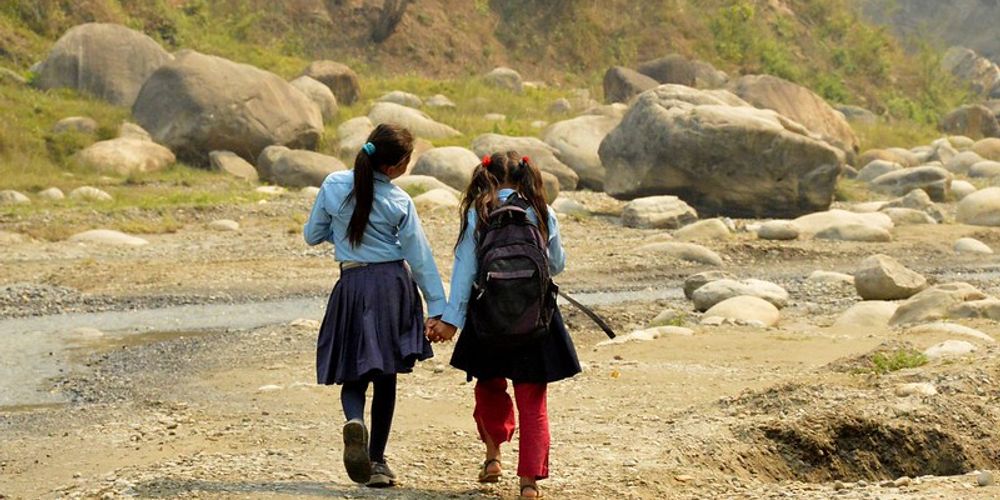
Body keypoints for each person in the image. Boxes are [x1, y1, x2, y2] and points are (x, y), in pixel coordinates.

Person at [427, 151, 581, 499]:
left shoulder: (477, 212)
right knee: (532, 400)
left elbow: (465, 271)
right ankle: (528, 483)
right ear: (525, 176)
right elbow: (556, 264)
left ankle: (493, 456)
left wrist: (451, 320)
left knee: (488, 385)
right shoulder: (541, 210)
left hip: (488, 318)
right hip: (535, 319)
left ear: (488, 177)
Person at [304, 123, 446, 488]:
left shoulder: (334, 184)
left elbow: (312, 234)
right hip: (391, 287)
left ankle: (355, 421)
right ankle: (378, 462)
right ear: (396, 166)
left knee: (353, 372)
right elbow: (420, 257)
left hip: (352, 284)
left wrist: (342, 232)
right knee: (386, 377)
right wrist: (439, 307)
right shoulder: (400, 201)